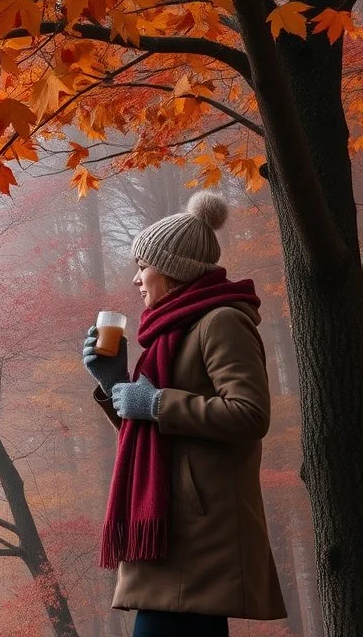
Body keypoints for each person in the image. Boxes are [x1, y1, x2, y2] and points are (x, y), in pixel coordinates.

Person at [80, 191, 287, 637]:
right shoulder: (170, 331)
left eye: (143, 266)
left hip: (197, 531)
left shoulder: (221, 322)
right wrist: (113, 384)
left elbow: (250, 414)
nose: (137, 279)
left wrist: (155, 403)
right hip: (173, 526)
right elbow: (155, 433)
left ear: (173, 270)